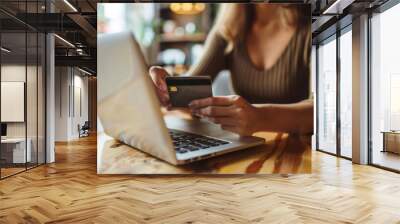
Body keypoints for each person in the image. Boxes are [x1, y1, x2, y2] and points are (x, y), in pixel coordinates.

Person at [149, 3, 313, 136]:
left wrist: (261, 118)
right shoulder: (229, 29)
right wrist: (166, 89)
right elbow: (188, 94)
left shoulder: (313, 23)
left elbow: (325, 110)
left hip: (301, 151)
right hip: (249, 148)